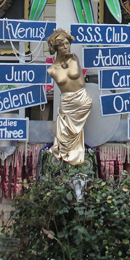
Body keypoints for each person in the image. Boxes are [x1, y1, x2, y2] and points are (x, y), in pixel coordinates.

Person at [46, 28, 91, 165]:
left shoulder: (74, 59)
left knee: (76, 136)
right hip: (66, 105)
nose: (66, 47)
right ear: (55, 47)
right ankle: (69, 163)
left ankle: (76, 159)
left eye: (67, 43)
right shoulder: (52, 69)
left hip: (82, 101)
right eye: (62, 45)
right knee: (64, 139)